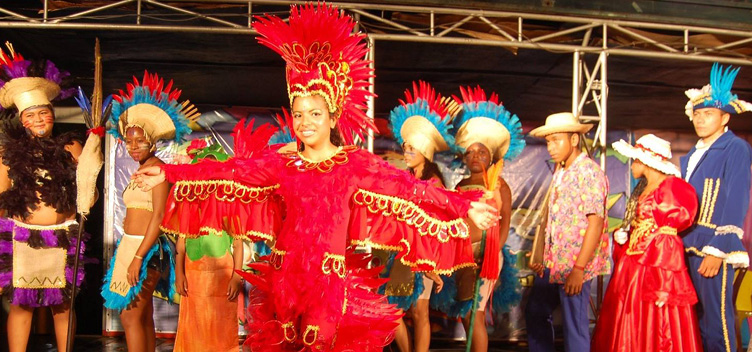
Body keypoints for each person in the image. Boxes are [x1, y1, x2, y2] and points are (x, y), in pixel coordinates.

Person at [133, 4, 499, 351]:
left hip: (330, 286)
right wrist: (168, 170)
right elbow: (230, 170)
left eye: (315, 114)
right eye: (299, 113)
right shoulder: (282, 162)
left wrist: (464, 206)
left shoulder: (353, 163)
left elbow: (409, 188)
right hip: (282, 282)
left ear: (333, 117)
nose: (305, 122)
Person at [101, 71, 197, 352]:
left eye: (138, 140)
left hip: (146, 250)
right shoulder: (140, 170)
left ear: (152, 141)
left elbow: (158, 217)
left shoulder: (158, 171)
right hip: (129, 246)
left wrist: (139, 256)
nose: (132, 146)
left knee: (130, 315)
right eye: (128, 141)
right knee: (140, 316)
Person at [0, 42, 87, 352]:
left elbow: (88, 188)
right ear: (21, 121)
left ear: (52, 114)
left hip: (62, 235)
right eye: (30, 115)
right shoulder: (7, 155)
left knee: (62, 306)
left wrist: (94, 154)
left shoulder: (71, 148)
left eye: (43, 113)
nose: (38, 120)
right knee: (21, 305)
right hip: (22, 236)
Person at [432, 86, 524, 352]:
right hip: (462, 256)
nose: (475, 157)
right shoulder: (459, 184)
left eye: (481, 152)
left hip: (487, 257)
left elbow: (505, 220)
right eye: (470, 152)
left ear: (491, 155)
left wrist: (493, 252)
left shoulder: (498, 185)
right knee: (464, 313)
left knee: (476, 315)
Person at [592, 134, 702, 351]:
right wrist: (624, 236)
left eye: (635, 160)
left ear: (645, 162)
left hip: (654, 272)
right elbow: (643, 226)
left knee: (656, 322)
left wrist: (665, 286)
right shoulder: (642, 188)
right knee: (630, 321)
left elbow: (668, 241)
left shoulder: (670, 188)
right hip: (633, 268)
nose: (633, 165)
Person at [172, 125, 263, 352]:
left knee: (221, 327)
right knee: (194, 325)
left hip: (222, 275)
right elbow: (181, 243)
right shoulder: (189, 202)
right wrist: (179, 273)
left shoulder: (229, 202)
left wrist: (236, 277)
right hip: (193, 274)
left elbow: (239, 243)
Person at [681, 63, 752, 352]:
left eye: (708, 114)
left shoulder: (735, 148)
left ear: (725, 118)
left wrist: (718, 249)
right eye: (697, 114)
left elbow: (735, 199)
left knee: (716, 321)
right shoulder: (690, 155)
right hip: (686, 245)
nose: (700, 119)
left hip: (712, 247)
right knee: (693, 321)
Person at [525, 112, 610, 352]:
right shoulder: (561, 171)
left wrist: (579, 269)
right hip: (554, 263)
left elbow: (596, 223)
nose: (550, 147)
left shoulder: (589, 173)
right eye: (548, 141)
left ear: (573, 140)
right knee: (535, 312)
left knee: (575, 326)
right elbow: (555, 219)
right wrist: (543, 253)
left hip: (575, 265)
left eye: (556, 140)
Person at [383, 81, 455, 352]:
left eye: (411, 148)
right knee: (392, 310)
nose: (406, 152)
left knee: (420, 311)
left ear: (424, 150)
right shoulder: (404, 180)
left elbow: (436, 224)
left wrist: (430, 264)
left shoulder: (434, 183)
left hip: (425, 253)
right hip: (401, 252)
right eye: (404, 147)